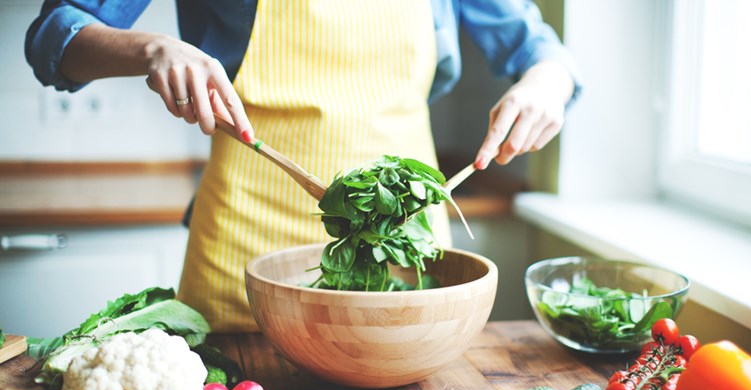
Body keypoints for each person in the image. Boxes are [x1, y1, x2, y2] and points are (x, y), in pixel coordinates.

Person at [26, 0, 580, 332]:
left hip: (405, 245)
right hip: (243, 254)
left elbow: (539, 49)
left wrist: (547, 82)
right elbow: (53, 35)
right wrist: (152, 49)